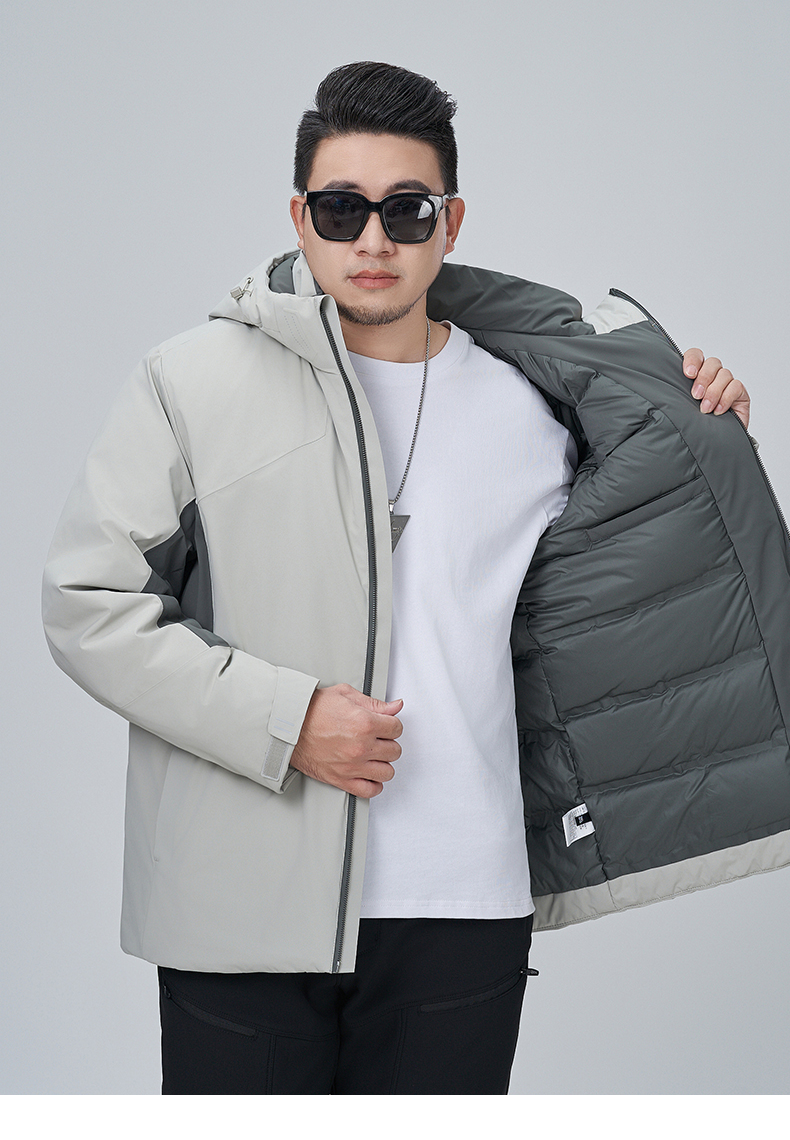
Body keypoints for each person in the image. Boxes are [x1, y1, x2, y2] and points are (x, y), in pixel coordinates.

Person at [42, 62, 789, 1096]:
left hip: (464, 904)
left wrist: (698, 430)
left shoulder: (535, 405)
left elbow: (647, 564)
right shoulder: (191, 383)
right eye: (341, 209)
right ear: (300, 218)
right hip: (240, 899)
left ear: (451, 221)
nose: (373, 239)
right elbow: (87, 602)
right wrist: (288, 720)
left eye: (406, 209)